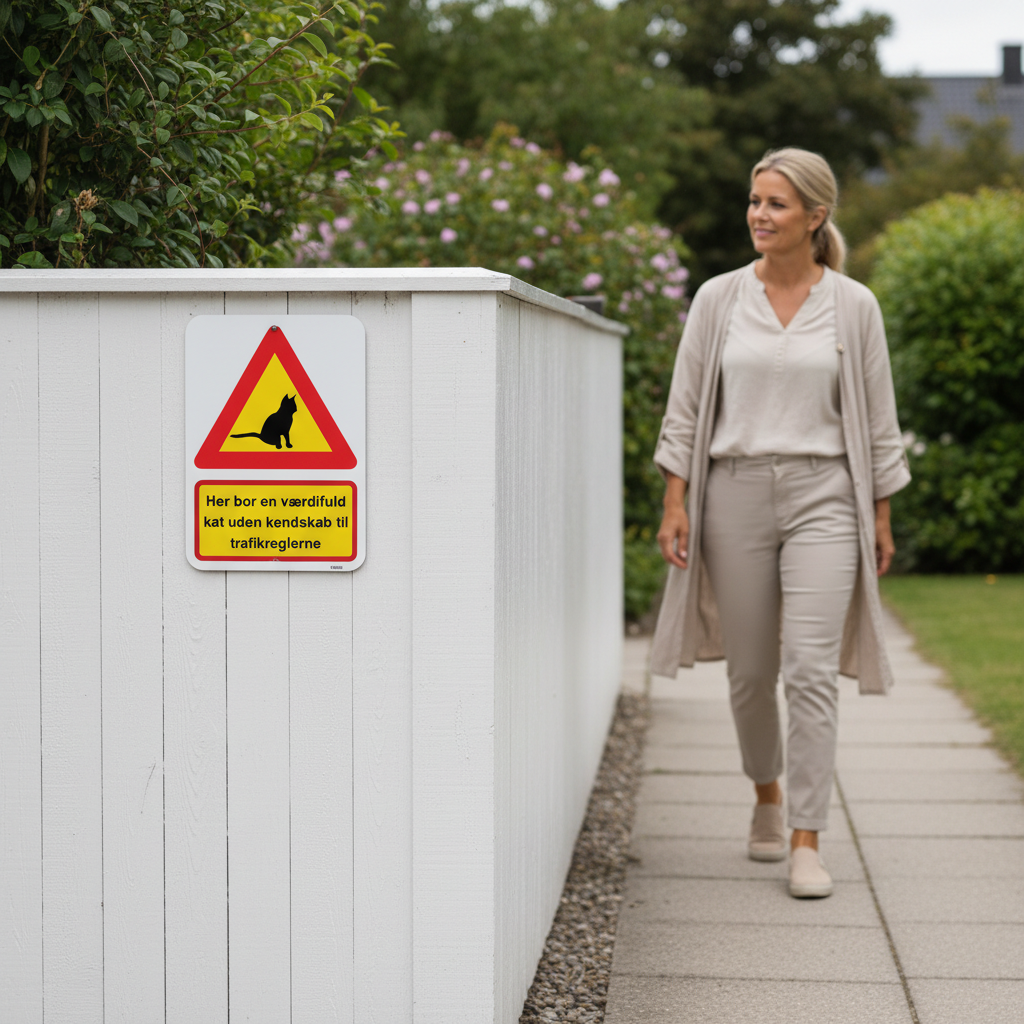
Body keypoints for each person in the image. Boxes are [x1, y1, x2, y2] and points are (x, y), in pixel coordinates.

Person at [650, 148, 910, 898]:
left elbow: (879, 420)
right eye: (755, 200)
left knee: (810, 669)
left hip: (825, 494)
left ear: (815, 216)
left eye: (776, 204)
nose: (758, 215)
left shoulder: (854, 305)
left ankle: (806, 837)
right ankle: (766, 793)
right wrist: (675, 501)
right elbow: (686, 406)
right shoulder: (718, 299)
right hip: (732, 494)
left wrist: (880, 514)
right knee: (749, 673)